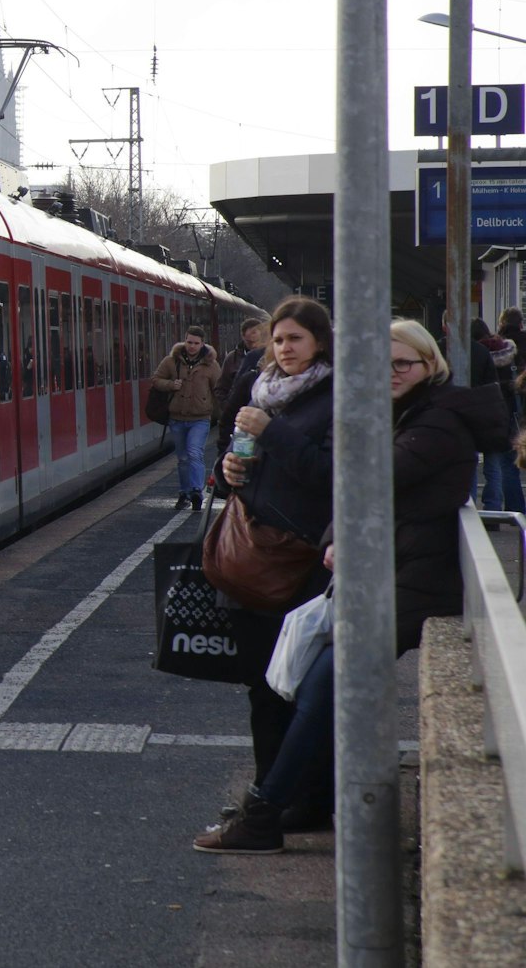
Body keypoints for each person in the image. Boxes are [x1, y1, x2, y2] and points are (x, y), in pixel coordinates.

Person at [196, 319, 507, 853]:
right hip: (395, 573)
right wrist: (340, 532)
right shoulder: (409, 413)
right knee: (316, 680)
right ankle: (275, 805)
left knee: (324, 682)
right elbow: (357, 491)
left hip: (417, 581)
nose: (389, 374)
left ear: (429, 365)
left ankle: (266, 810)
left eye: (401, 364)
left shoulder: (435, 423)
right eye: (378, 366)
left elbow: (365, 479)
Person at [206, 296, 337, 827]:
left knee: (301, 688)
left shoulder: (334, 398)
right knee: (262, 688)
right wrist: (229, 468)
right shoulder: (260, 393)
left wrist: (270, 431)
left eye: (295, 339)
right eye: (278, 339)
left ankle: (306, 800)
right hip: (253, 554)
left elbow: (331, 474)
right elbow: (242, 457)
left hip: (304, 560)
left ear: (320, 343)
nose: (284, 348)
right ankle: (269, 792)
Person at [151, 325, 222, 510]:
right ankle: (184, 492)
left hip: (200, 418)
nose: (191, 346)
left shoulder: (211, 364)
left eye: (196, 343)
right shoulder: (171, 361)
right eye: (189, 342)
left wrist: (221, 414)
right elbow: (156, 380)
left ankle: (197, 491)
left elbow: (219, 389)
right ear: (185, 340)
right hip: (177, 417)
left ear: (202, 344)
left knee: (194, 453)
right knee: (182, 458)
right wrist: (170, 385)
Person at [472, 319, 523, 510]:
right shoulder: (510, 351)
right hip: (505, 416)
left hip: (479, 414)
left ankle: (482, 510)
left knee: (474, 463)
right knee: (502, 466)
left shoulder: (474, 355)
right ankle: (505, 508)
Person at [212, 317, 268, 448]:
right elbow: (221, 386)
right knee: (241, 460)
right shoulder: (235, 358)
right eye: (249, 341)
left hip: (255, 422)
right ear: (243, 337)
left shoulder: (269, 355)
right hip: (242, 421)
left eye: (255, 340)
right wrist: (227, 405)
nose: (253, 345)